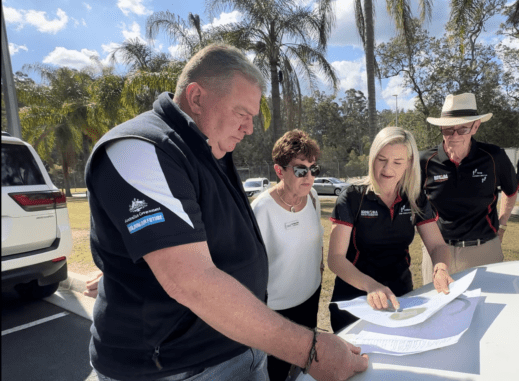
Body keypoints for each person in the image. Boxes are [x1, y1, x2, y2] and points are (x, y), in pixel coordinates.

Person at [85, 43, 367, 381]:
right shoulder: (139, 149)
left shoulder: (205, 148)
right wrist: (311, 350)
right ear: (197, 97)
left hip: (239, 347)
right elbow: (190, 281)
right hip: (175, 369)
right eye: (242, 113)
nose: (249, 129)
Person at [327, 127, 455, 333]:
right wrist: (372, 286)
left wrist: (440, 268)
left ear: (410, 163)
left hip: (401, 298)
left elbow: (438, 245)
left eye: (397, 162)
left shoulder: (415, 198)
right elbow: (335, 258)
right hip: (355, 298)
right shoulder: (352, 197)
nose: (387, 169)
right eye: (381, 159)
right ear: (372, 158)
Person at [420, 93, 519, 285]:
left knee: (488, 307)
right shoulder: (425, 161)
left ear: (475, 126)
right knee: (438, 310)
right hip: (438, 254)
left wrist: (503, 224)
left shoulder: (493, 156)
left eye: (462, 129)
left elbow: (511, 190)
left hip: (483, 251)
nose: (454, 135)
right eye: (448, 129)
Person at [250, 130, 324, 381]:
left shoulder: (313, 197)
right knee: (276, 373)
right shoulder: (260, 209)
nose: (310, 176)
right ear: (279, 171)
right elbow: (249, 269)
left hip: (310, 300)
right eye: (301, 170)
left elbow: (315, 245)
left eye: (314, 169)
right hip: (276, 313)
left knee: (303, 370)